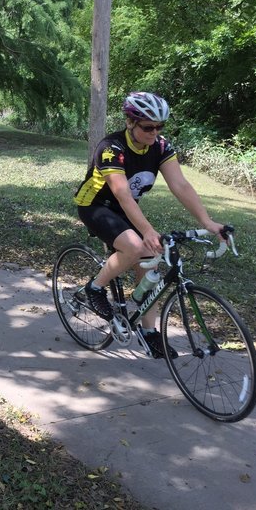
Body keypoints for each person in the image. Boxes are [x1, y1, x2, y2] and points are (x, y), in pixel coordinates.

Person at [73, 92, 225, 359]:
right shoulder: (111, 148)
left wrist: (207, 221)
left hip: (126, 208)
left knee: (151, 257)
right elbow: (121, 193)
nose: (154, 132)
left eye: (159, 126)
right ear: (130, 122)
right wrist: (146, 230)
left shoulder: (161, 147)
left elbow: (180, 185)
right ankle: (95, 288)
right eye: (147, 127)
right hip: (95, 205)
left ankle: (149, 332)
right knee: (135, 246)